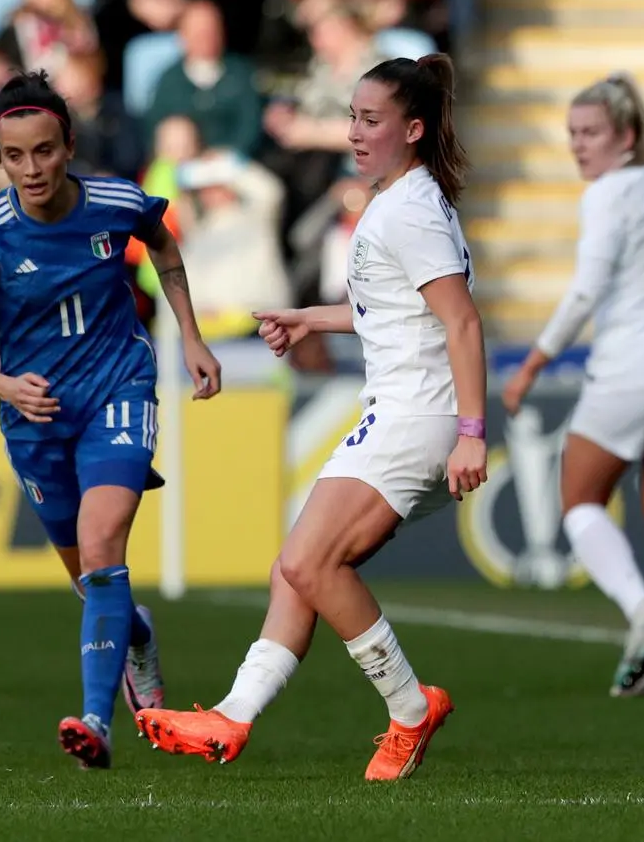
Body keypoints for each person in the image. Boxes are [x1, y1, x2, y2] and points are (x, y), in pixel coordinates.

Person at [135, 54, 487, 782]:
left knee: (308, 562)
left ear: (413, 129)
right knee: (294, 572)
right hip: (396, 409)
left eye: (370, 120)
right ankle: (233, 715)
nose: (354, 132)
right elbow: (394, 311)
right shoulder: (398, 200)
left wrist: (471, 433)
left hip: (419, 414)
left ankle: (411, 708)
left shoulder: (412, 208)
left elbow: (460, 323)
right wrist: (310, 320)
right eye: (352, 117)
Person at [0, 70, 222, 769]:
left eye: (44, 151)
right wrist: (7, 386)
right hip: (36, 421)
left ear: (67, 145)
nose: (31, 168)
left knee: (102, 549)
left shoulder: (117, 202)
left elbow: (163, 246)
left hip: (117, 388)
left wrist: (189, 334)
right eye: (14, 156)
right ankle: (138, 634)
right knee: (91, 581)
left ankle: (97, 721)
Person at [501, 73, 644, 698]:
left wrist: (530, 366)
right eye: (572, 133)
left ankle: (639, 611)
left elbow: (585, 291)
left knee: (578, 501)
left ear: (626, 135)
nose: (579, 146)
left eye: (591, 132)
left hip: (634, 366)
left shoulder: (608, 193)